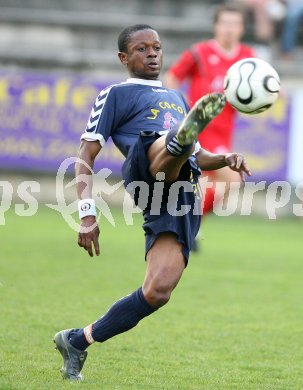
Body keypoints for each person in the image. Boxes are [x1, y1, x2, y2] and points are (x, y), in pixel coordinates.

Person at [53, 24, 251, 381]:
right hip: (145, 170)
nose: (152, 54)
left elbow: (199, 156)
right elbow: (85, 155)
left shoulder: (178, 98)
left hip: (180, 196)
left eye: (156, 47)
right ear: (123, 58)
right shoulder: (115, 95)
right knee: (163, 143)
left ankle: (77, 341)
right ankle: (176, 140)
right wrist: (86, 214)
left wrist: (225, 159)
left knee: (158, 291)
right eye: (142, 49)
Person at [164, 4, 254, 216]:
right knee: (232, 178)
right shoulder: (200, 52)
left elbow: (256, 88)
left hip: (224, 131)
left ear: (242, 28)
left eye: (234, 24)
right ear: (216, 26)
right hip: (200, 129)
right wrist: (181, 105)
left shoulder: (248, 57)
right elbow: (172, 77)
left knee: (204, 185)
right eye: (225, 23)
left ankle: (188, 224)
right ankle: (187, 218)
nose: (229, 28)